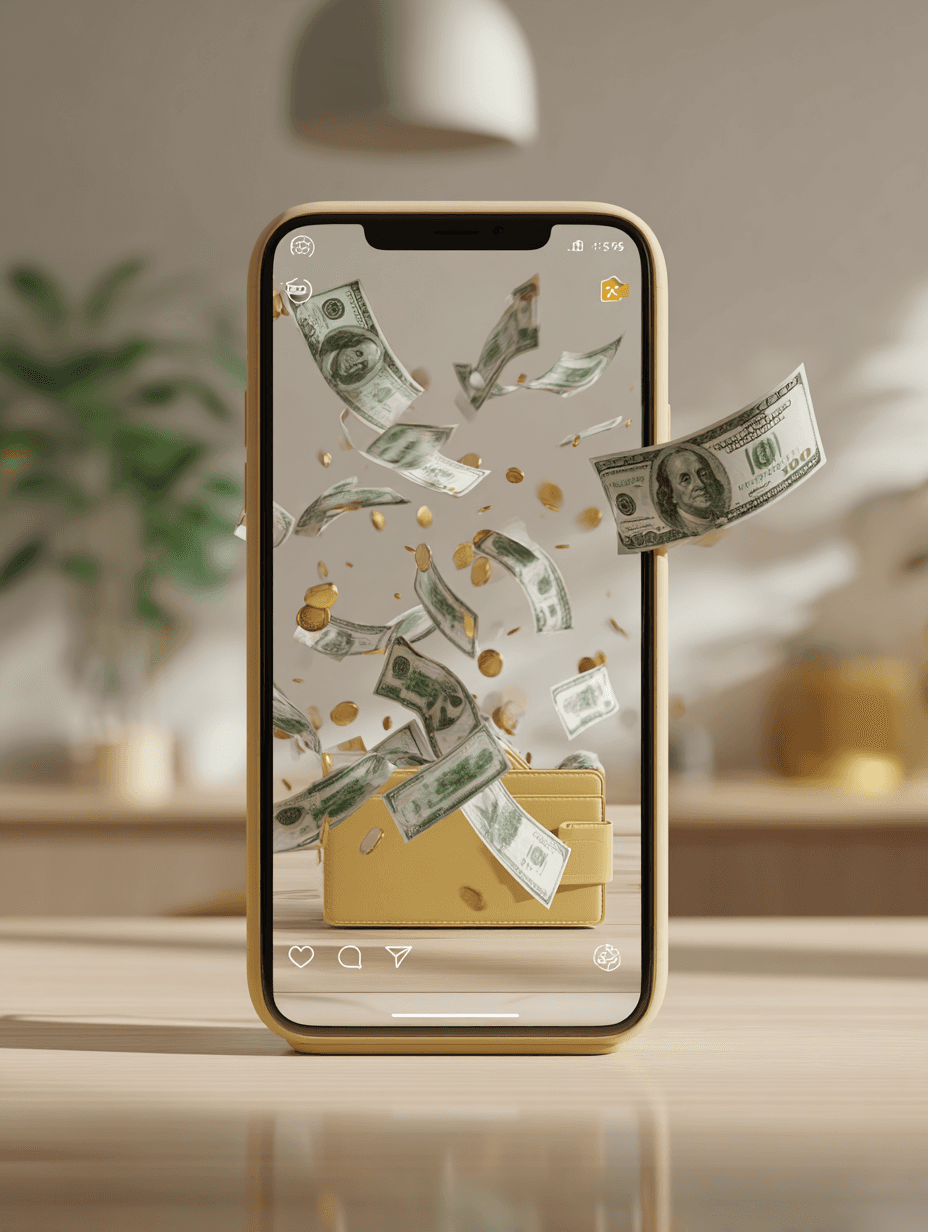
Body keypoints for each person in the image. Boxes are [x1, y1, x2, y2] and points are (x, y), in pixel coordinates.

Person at [653, 446, 728, 534]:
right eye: (685, 479)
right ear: (670, 493)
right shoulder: (680, 528)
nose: (700, 484)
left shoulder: (719, 516)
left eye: (703, 474)